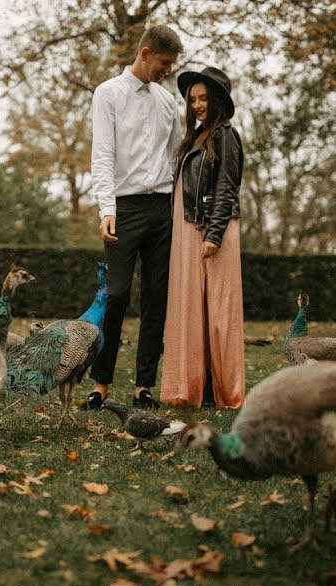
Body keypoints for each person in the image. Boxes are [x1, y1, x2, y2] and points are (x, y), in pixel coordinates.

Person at [81, 25, 184, 411]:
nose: (167, 71)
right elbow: (102, 154)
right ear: (144, 54)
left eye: (171, 65)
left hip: (162, 209)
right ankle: (101, 382)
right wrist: (107, 209)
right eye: (164, 63)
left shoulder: (167, 102)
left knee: (157, 299)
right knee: (118, 293)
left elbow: (175, 157)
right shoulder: (108, 93)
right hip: (124, 208)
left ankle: (144, 385)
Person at [160, 66, 245, 409]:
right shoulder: (193, 139)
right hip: (187, 230)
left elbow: (227, 187)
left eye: (203, 98)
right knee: (191, 310)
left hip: (212, 230)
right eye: (192, 99)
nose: (196, 105)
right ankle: (197, 388)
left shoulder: (226, 135)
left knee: (220, 314)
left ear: (218, 101)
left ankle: (226, 390)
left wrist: (215, 232)